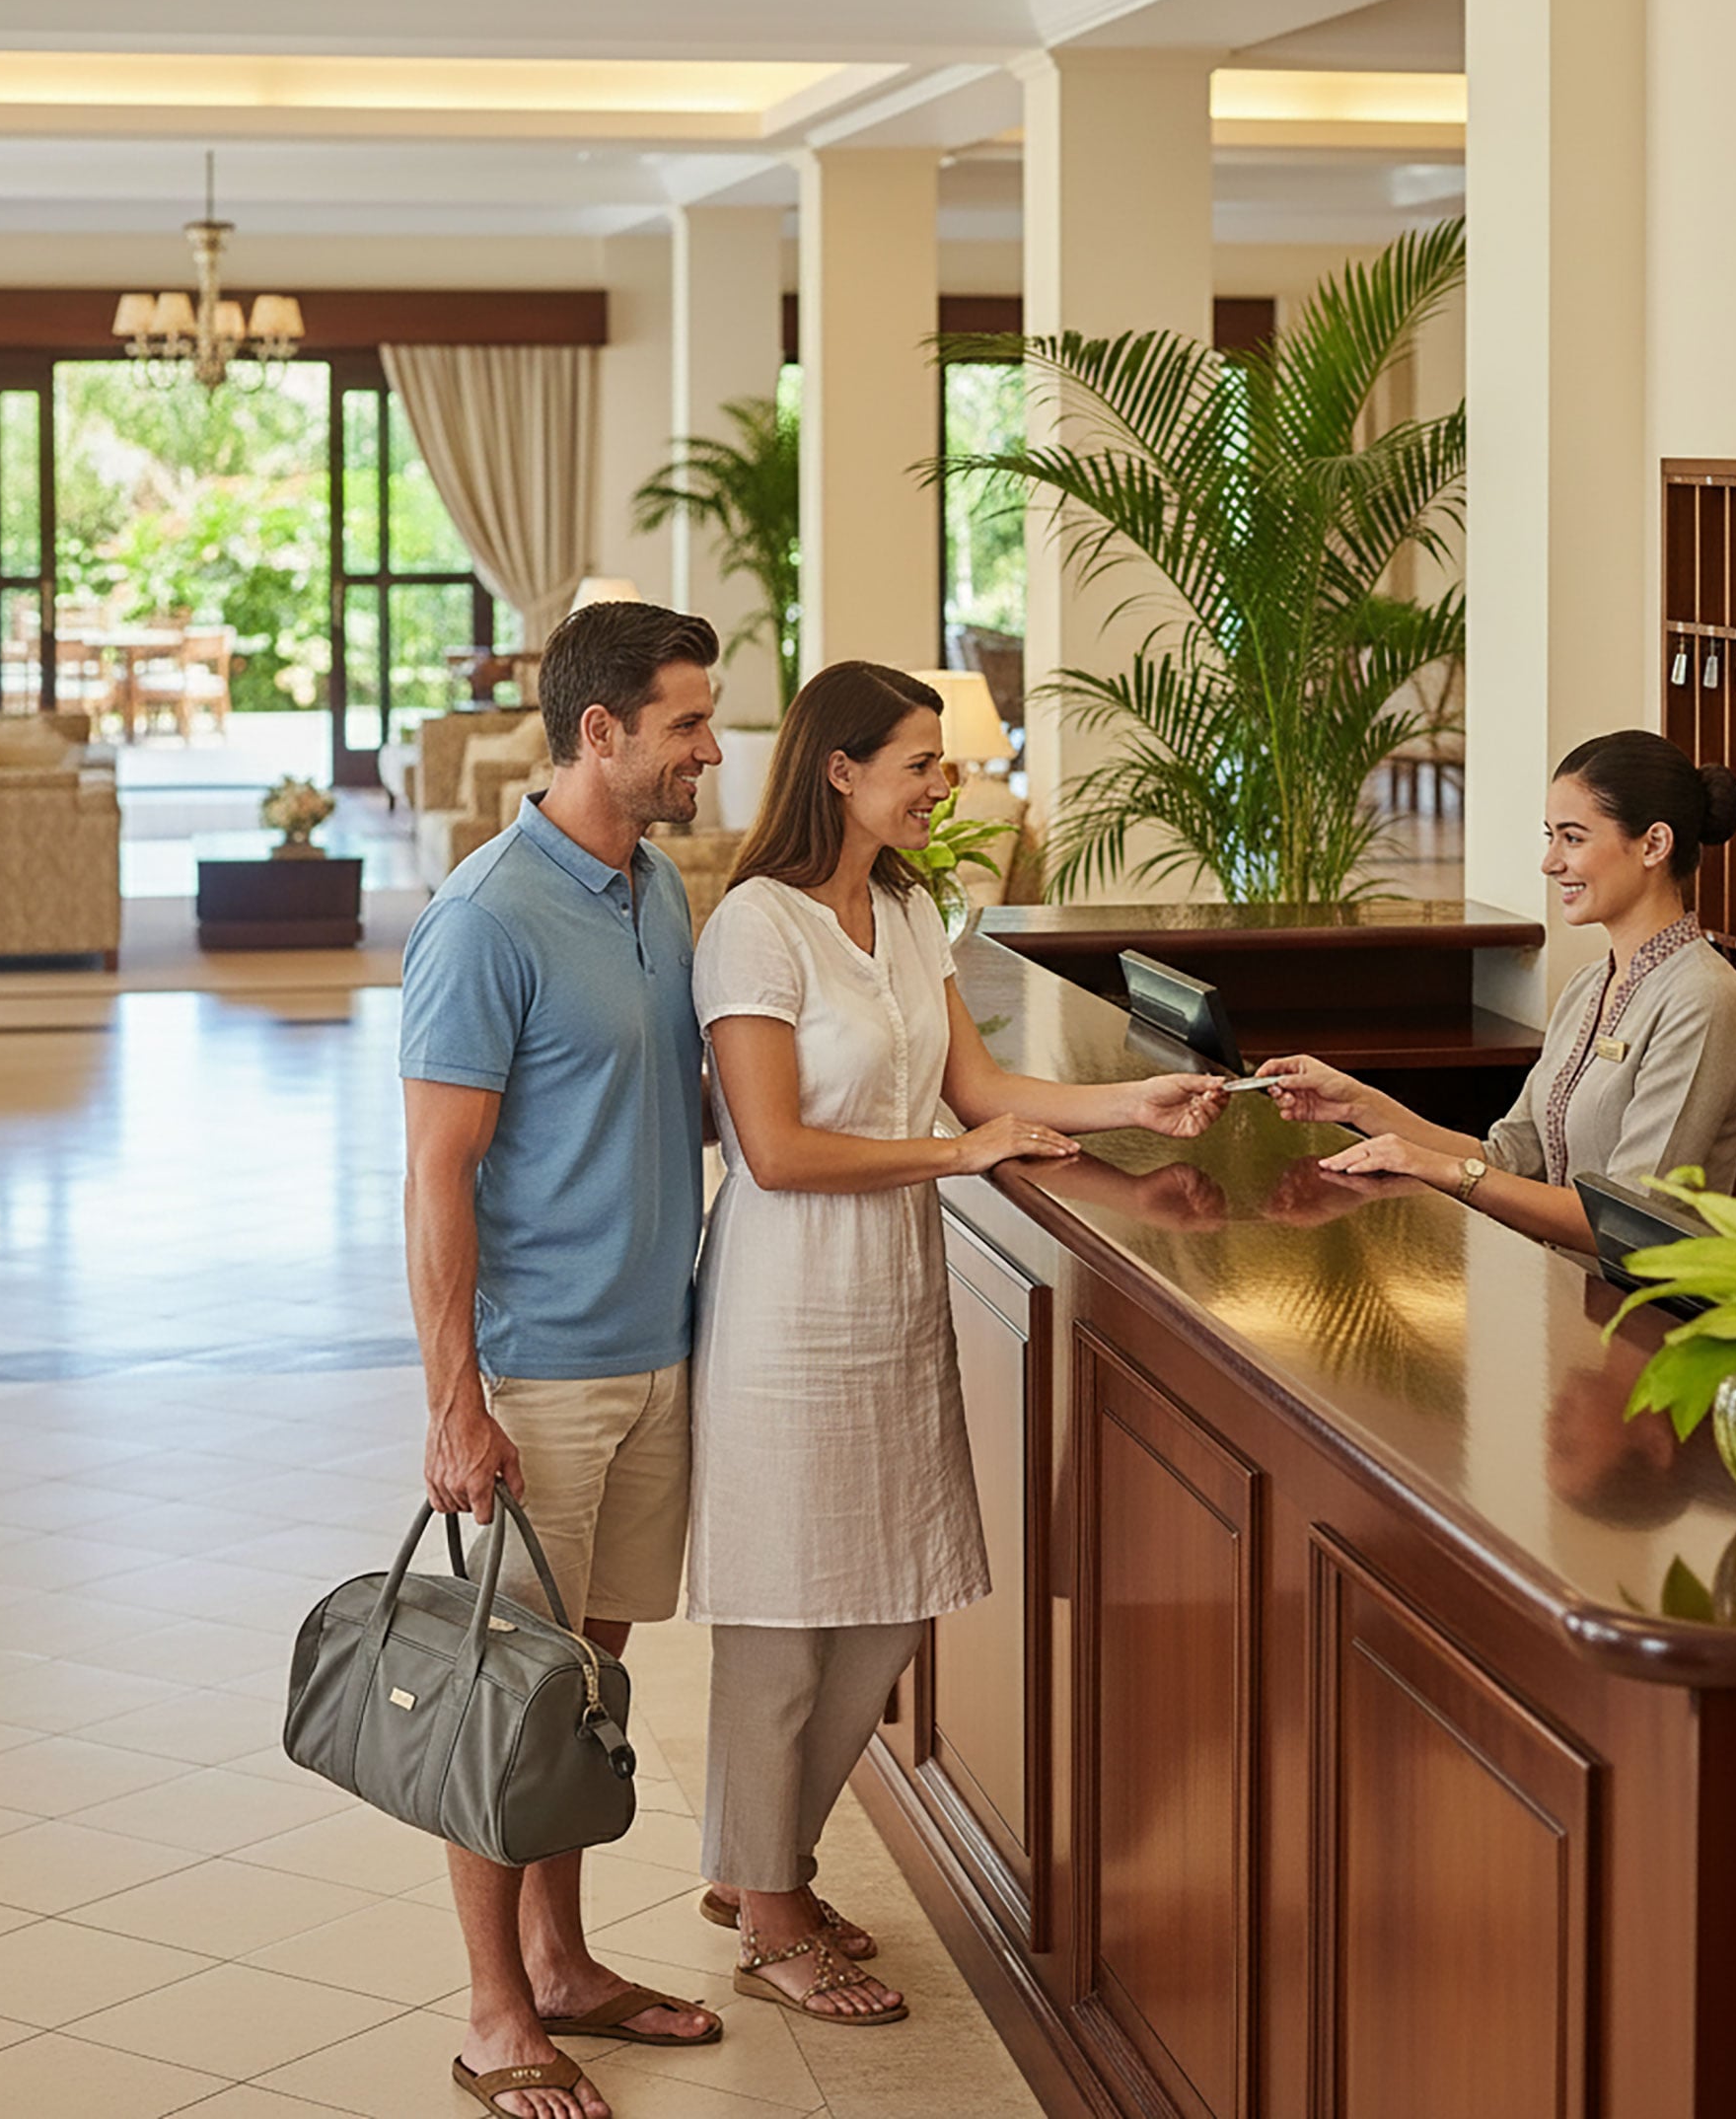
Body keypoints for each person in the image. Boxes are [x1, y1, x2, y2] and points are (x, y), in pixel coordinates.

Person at [687, 661, 1228, 2025]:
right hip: (783, 1306)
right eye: (924, 763)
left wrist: (1134, 1103)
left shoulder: (909, 905)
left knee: (888, 1603)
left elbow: (978, 1088)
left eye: (946, 764)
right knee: (783, 1618)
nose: (950, 784)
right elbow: (775, 1147)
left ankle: (761, 1872)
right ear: (840, 770)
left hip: (890, 1292)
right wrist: (960, 1151)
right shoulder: (755, 926)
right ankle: (768, 1899)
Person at [399, 600, 727, 2119]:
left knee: (587, 1687)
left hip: (657, 1357)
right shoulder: (484, 918)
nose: (711, 751)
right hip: (537, 1381)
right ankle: (491, 2012)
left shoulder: (656, 890)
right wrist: (456, 1407)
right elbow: (436, 1179)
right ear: (600, 731)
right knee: (505, 1698)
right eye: (687, 724)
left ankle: (569, 1964)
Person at [1259, 729, 1736, 1255]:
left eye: (1573, 838)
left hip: (1642, 1322)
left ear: (1654, 845)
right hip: (1563, 1294)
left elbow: (1627, 1223)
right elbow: (1509, 1156)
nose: (1550, 862)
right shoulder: (1590, 985)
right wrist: (1359, 1104)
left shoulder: (1704, 999)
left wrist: (1447, 1172)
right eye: (1551, 837)